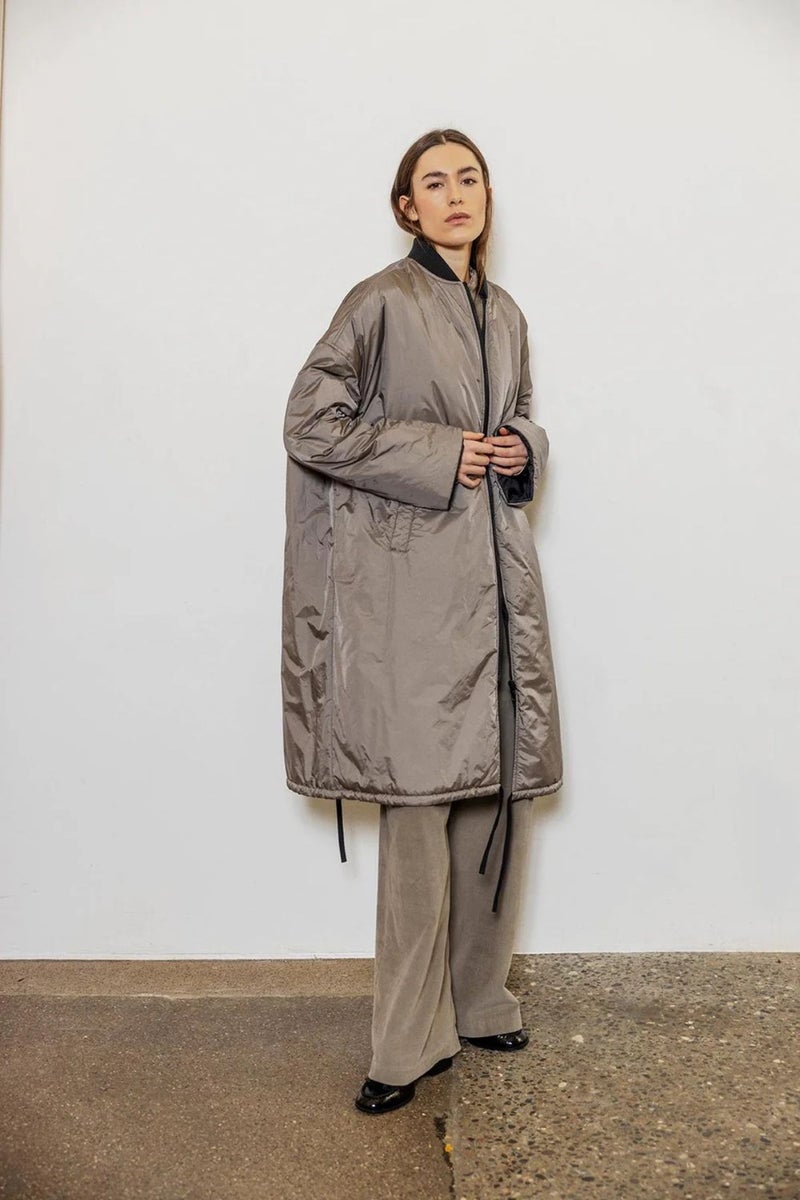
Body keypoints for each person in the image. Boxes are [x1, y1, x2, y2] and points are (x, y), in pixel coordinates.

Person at [281, 128, 563, 1114]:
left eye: (468, 178)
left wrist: (520, 446)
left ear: (486, 194)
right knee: (418, 812)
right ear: (406, 207)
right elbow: (310, 423)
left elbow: (520, 412)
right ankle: (406, 1046)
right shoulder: (380, 302)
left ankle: (478, 1001)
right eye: (432, 183)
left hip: (497, 588)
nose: (454, 195)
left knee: (497, 800)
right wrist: (442, 453)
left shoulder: (506, 312)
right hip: (409, 596)